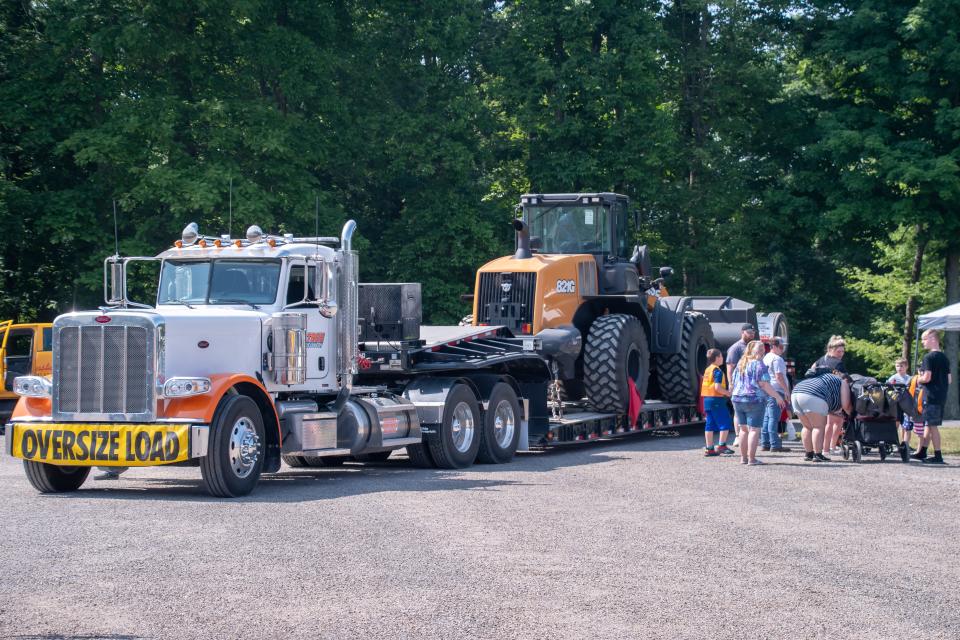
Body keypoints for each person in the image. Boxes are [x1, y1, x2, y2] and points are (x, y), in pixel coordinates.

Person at [731, 340, 786, 465]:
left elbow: (733, 382)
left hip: (737, 398)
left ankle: (743, 458)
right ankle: (752, 459)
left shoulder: (741, 364)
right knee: (754, 430)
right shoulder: (759, 365)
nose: (764, 351)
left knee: (743, 430)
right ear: (761, 351)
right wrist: (777, 396)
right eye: (762, 349)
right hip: (754, 399)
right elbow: (764, 384)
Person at [791, 371, 852, 462]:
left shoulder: (825, 378)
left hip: (796, 392)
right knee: (818, 427)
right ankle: (818, 454)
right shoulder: (843, 382)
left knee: (807, 427)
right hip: (813, 394)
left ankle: (809, 454)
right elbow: (846, 405)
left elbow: (828, 408)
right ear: (847, 380)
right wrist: (852, 414)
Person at [911, 330, 952, 464]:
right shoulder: (944, 358)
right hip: (941, 395)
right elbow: (949, 379)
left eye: (924, 339)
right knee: (929, 424)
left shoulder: (929, 357)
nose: (922, 342)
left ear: (933, 339)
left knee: (932, 426)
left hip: (931, 396)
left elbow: (927, 377)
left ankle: (938, 455)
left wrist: (918, 379)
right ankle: (922, 451)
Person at [807, 335, 847, 454]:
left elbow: (810, 372)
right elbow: (845, 379)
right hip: (832, 394)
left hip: (818, 393)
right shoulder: (838, 363)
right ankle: (830, 447)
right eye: (838, 351)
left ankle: (825, 448)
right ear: (831, 350)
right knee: (837, 421)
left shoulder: (820, 360)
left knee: (826, 423)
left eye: (843, 351)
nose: (841, 354)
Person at [726, 323, 756, 447]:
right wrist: (731, 384)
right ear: (742, 332)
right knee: (738, 412)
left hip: (751, 385)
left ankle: (750, 436)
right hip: (739, 384)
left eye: (753, 332)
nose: (752, 334)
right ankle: (738, 437)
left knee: (751, 411)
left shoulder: (752, 346)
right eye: (749, 332)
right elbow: (729, 367)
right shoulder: (736, 347)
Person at [701, 348, 735, 456]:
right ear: (716, 358)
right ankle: (722, 445)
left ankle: (709, 448)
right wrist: (728, 393)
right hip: (717, 399)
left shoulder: (708, 369)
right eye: (721, 356)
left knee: (709, 424)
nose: (722, 358)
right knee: (725, 422)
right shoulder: (717, 371)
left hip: (707, 399)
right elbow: (717, 387)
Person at [761, 337, 791, 452]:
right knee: (774, 418)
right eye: (781, 346)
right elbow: (779, 376)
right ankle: (775, 444)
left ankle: (765, 443)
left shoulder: (766, 357)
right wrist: (786, 391)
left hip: (767, 390)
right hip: (777, 390)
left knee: (767, 417)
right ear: (774, 346)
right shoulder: (777, 359)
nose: (782, 349)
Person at [887, 358, 914, 450]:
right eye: (897, 366)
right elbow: (887, 390)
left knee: (906, 425)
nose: (899, 368)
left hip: (907, 404)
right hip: (896, 404)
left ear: (906, 367)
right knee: (896, 423)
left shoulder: (910, 379)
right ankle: (894, 443)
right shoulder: (893, 378)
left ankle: (905, 444)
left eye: (901, 366)